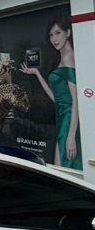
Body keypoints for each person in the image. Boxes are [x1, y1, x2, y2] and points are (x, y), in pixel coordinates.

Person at [19, 16, 81, 169]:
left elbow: (76, 100)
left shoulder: (69, 58)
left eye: (58, 33)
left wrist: (71, 135)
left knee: (64, 166)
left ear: (68, 33)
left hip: (68, 119)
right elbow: (56, 98)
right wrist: (37, 73)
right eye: (51, 35)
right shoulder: (62, 58)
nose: (54, 39)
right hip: (62, 117)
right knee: (60, 167)